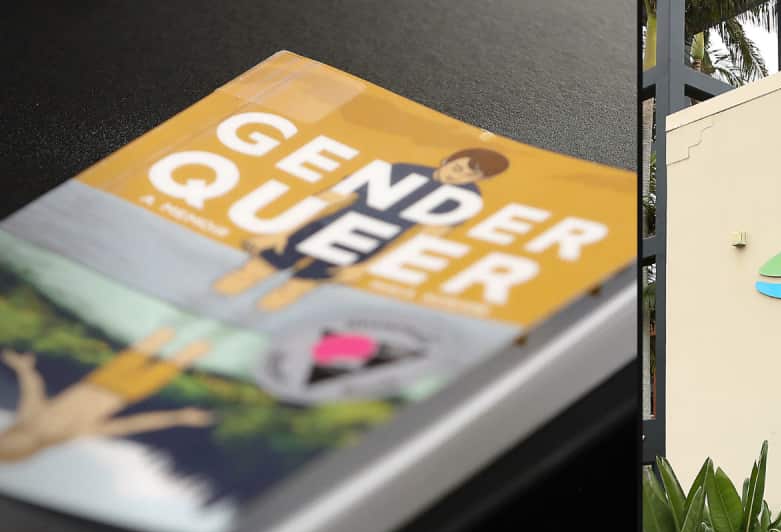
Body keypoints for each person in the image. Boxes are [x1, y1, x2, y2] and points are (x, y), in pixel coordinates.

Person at [213, 147, 510, 311]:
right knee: (248, 273)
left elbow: (423, 239)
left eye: (471, 174)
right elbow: (335, 196)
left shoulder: (467, 199)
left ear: (480, 179)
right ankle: (203, 310)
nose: (458, 176)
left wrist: (367, 267)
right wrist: (281, 231)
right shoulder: (403, 169)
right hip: (322, 226)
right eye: (458, 167)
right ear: (449, 159)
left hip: (361, 247)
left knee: (290, 292)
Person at [0, 329, 214, 462]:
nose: (12, 440)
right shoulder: (72, 433)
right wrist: (178, 417)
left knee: (154, 340)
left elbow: (31, 389)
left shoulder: (29, 417)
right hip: (124, 393)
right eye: (12, 448)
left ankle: (192, 316)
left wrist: (23, 369)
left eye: (4, 441)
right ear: (27, 452)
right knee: (181, 358)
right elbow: (130, 425)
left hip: (98, 382)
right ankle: (212, 334)